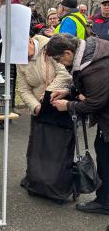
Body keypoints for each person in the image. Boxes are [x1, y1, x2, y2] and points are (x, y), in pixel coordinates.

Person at [48, 34, 109, 216]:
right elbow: (94, 89)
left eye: (59, 59)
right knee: (103, 153)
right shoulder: (92, 48)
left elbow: (95, 102)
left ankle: (105, 203)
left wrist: (67, 105)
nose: (61, 64)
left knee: (105, 159)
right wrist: (69, 91)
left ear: (68, 52)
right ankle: (104, 199)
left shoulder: (94, 67)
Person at [16, 34, 73, 203]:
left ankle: (57, 185)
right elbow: (23, 89)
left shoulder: (50, 47)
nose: (21, 55)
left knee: (58, 148)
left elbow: (65, 75)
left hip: (59, 103)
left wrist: (47, 96)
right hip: (40, 109)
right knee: (37, 146)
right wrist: (36, 106)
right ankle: (36, 180)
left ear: (28, 40)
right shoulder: (20, 60)